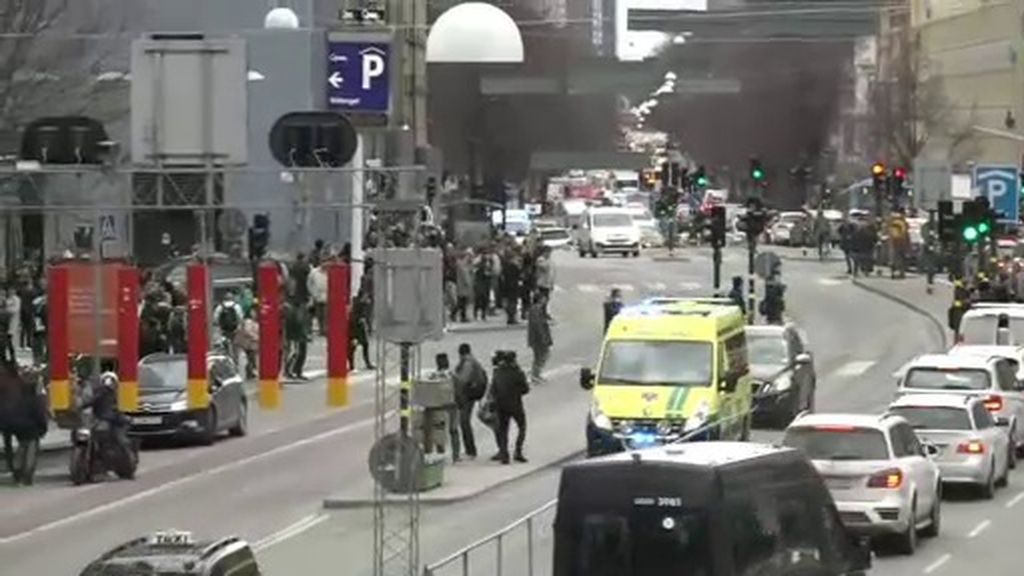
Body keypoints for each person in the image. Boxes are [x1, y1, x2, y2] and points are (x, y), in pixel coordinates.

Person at [491, 350, 529, 464]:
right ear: (513, 360)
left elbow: (493, 389)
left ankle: (504, 454)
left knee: (503, 430)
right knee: (522, 426)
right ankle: (518, 451)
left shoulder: (497, 372)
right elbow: (525, 389)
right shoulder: (517, 372)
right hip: (515, 404)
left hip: (501, 405)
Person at [452, 343, 486, 461]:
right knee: (464, 422)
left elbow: (463, 379)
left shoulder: (468, 363)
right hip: (470, 394)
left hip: (468, 395)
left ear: (461, 353)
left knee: (464, 422)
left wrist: (452, 377)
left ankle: (470, 450)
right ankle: (470, 449)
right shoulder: (472, 361)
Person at [527, 292, 552, 385]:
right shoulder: (536, 310)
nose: (545, 300)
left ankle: (536, 374)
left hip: (538, 338)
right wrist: (544, 338)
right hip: (538, 338)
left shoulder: (537, 309)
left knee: (541, 355)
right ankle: (535, 375)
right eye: (543, 298)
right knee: (541, 356)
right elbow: (538, 325)